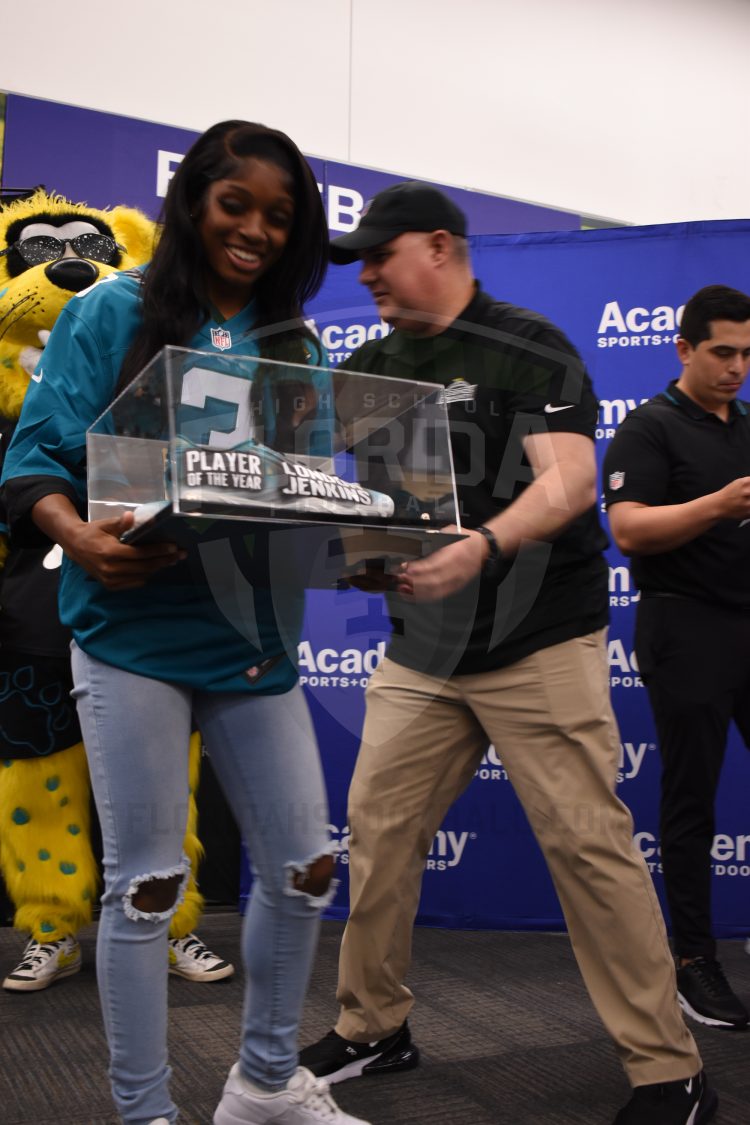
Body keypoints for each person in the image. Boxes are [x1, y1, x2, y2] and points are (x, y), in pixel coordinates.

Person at [299, 181, 716, 1125]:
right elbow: (395, 507)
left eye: (380, 254)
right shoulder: (370, 359)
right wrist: (367, 558)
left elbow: (569, 485)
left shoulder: (532, 347)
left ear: (440, 247)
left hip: (539, 640)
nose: (365, 274)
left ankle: (669, 1069)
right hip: (423, 652)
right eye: (357, 260)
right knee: (378, 827)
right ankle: (374, 1025)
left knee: (589, 846)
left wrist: (481, 547)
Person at [1, 120, 368, 1125]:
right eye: (235, 204)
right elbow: (32, 460)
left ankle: (262, 1086)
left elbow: (297, 491)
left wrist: (371, 547)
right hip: (132, 640)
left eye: (279, 216)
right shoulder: (110, 309)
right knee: (149, 889)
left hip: (252, 643)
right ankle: (143, 1111)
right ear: (193, 202)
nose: (255, 228)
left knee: (305, 873)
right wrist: (80, 539)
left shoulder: (297, 343)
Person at [603, 283, 750, 1032]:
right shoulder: (648, 428)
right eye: (722, 352)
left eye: (748, 354)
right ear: (684, 348)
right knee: (692, 803)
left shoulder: (748, 423)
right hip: (685, 627)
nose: (736, 367)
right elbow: (628, 529)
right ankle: (694, 963)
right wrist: (719, 505)